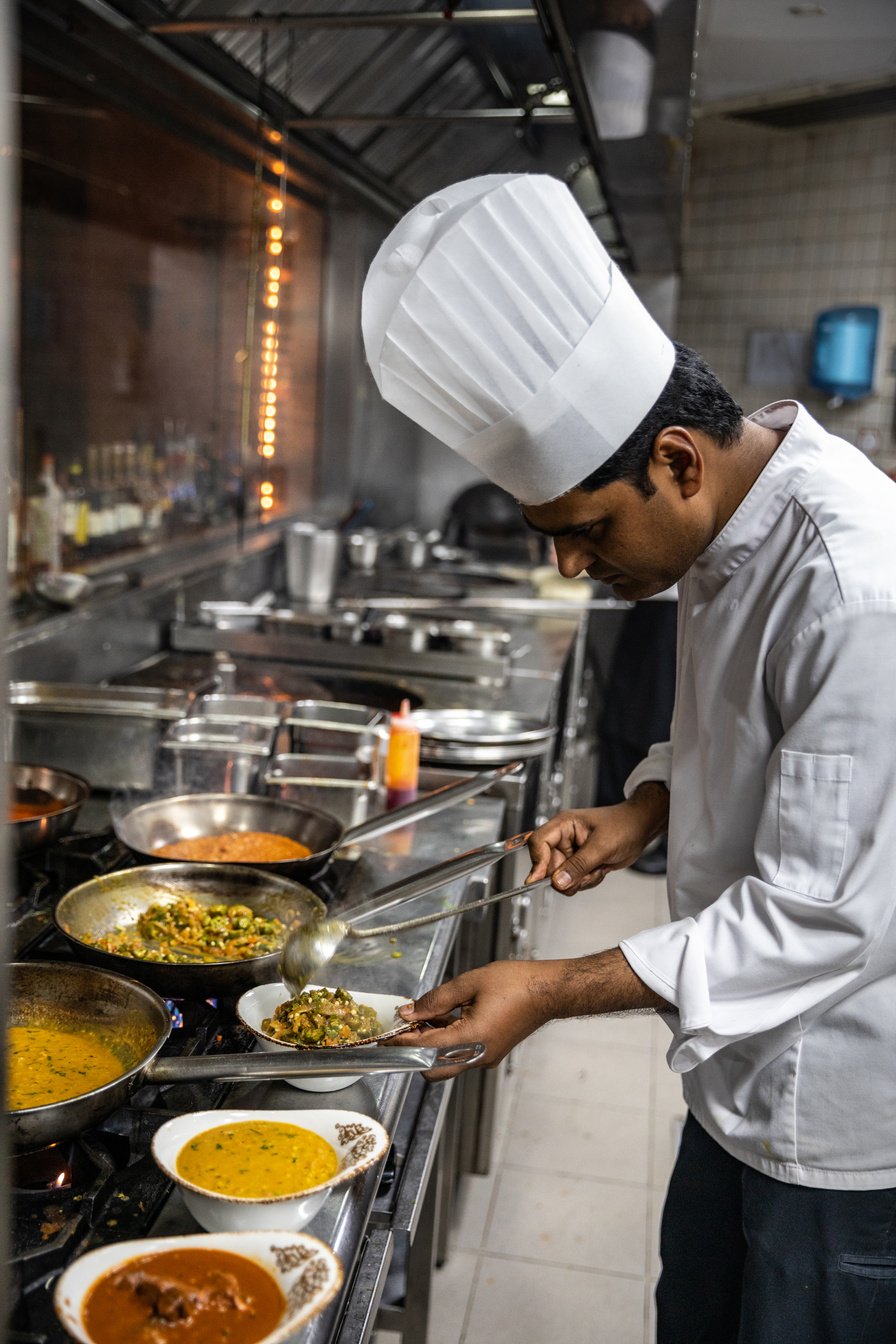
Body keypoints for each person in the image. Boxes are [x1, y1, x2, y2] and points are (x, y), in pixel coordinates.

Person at [361, 173, 896, 1343]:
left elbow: (822, 918)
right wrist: (645, 807)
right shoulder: (728, 525)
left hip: (843, 1118)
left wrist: (548, 990)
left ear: (675, 459)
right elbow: (743, 732)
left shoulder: (856, 587)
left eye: (585, 530)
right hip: (735, 1079)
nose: (569, 567)